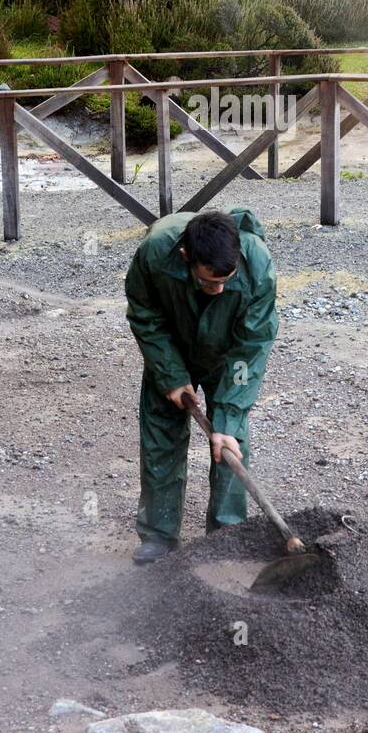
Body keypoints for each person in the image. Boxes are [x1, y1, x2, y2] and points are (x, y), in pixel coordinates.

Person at [124, 207, 278, 563]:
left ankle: (226, 534)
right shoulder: (155, 252)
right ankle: (159, 535)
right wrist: (172, 376)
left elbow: (252, 345)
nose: (219, 288)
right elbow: (145, 315)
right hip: (172, 346)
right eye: (210, 282)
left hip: (228, 354)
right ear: (185, 257)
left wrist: (227, 414)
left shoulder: (257, 266)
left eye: (226, 280)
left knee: (229, 439)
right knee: (161, 435)